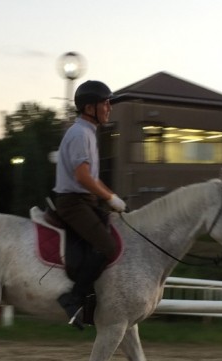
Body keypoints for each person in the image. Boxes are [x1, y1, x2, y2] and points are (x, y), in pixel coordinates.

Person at [52, 80, 126, 329]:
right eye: (106, 103)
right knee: (107, 246)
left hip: (84, 200)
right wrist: (109, 198)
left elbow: (92, 179)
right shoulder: (80, 134)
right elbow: (82, 177)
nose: (109, 108)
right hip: (73, 203)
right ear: (89, 107)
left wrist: (112, 197)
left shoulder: (87, 133)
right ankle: (73, 298)